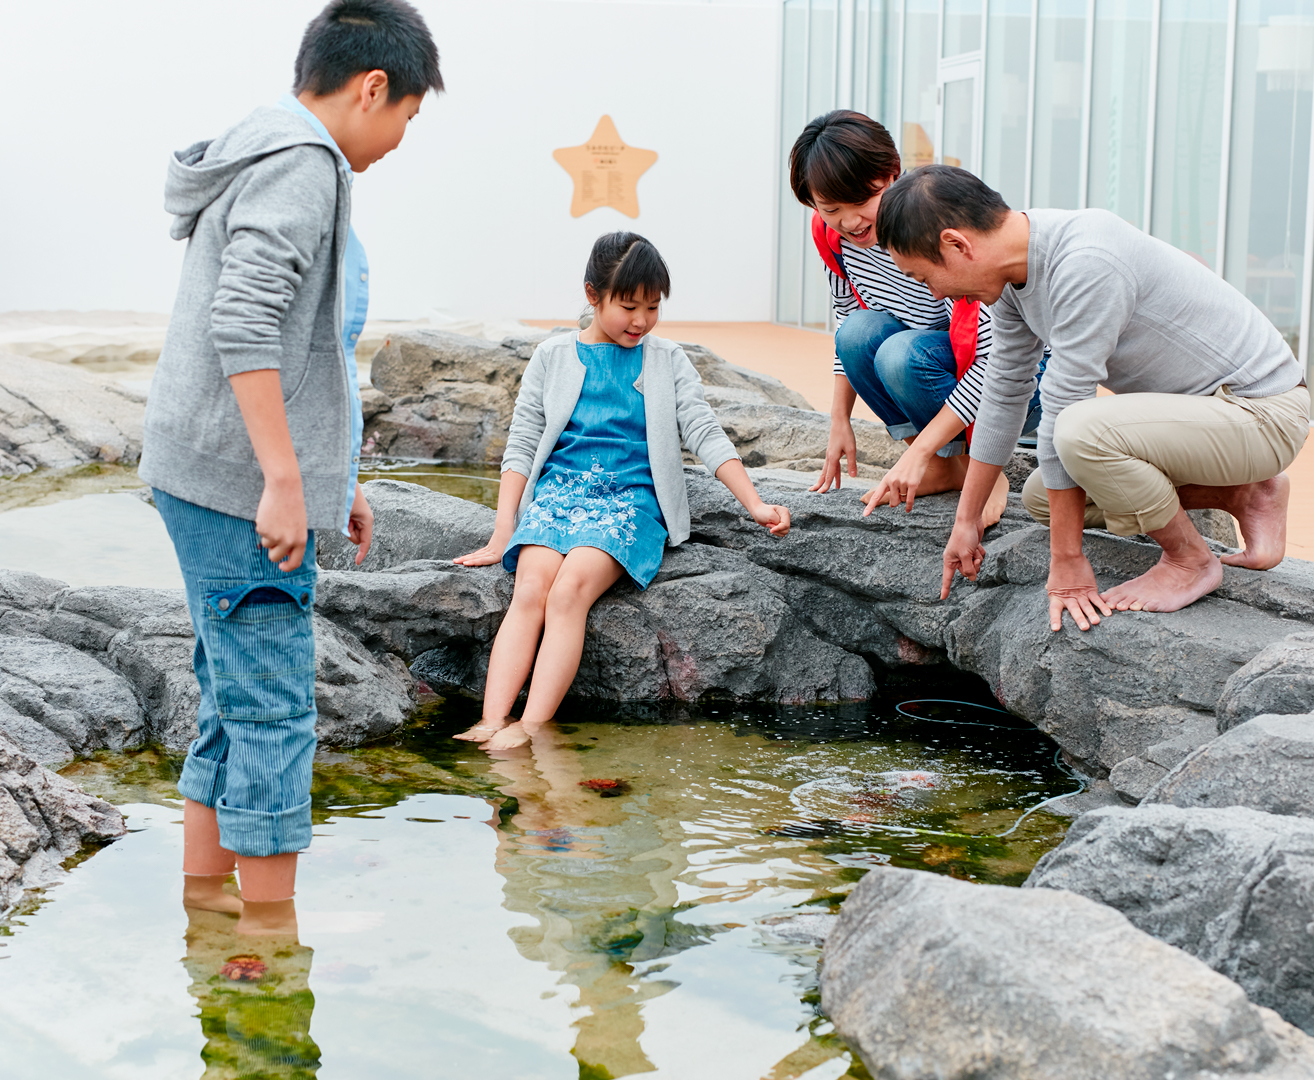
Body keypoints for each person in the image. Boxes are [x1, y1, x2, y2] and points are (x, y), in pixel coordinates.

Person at [138, 0, 442, 935]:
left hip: (201, 470)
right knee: (272, 708)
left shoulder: (261, 150)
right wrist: (283, 479)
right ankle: (270, 951)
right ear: (372, 86)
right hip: (236, 483)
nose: (399, 141)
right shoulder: (302, 166)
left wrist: (331, 474)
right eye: (407, 119)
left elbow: (313, 351)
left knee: (232, 702)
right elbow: (246, 322)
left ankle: (204, 909)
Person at [872, 165, 1308, 629]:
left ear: (957, 244)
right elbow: (1002, 393)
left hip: (1260, 413)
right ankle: (1243, 493)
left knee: (1078, 434)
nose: (932, 292)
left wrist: (1068, 563)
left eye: (923, 276)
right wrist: (967, 521)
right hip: (1208, 422)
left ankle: (1190, 561)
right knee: (1043, 497)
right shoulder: (1012, 276)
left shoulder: (1086, 260)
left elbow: (1064, 406)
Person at [452, 233, 792, 751]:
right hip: (559, 496)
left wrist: (754, 503)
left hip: (630, 502)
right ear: (593, 295)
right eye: (628, 306)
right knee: (531, 588)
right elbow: (521, 443)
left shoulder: (668, 359)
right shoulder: (552, 355)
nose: (641, 321)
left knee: (569, 594)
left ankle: (531, 727)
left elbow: (703, 431)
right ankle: (492, 718)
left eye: (653, 307)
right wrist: (505, 531)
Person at [787, 110, 1044, 525]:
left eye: (862, 201)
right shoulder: (834, 238)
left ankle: (982, 470)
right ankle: (942, 468)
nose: (850, 221)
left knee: (899, 354)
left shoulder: (934, 228)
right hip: (938, 366)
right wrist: (839, 420)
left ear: (893, 174)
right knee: (858, 333)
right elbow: (848, 321)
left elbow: (996, 360)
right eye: (831, 208)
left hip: (1020, 385)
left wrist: (980, 460)